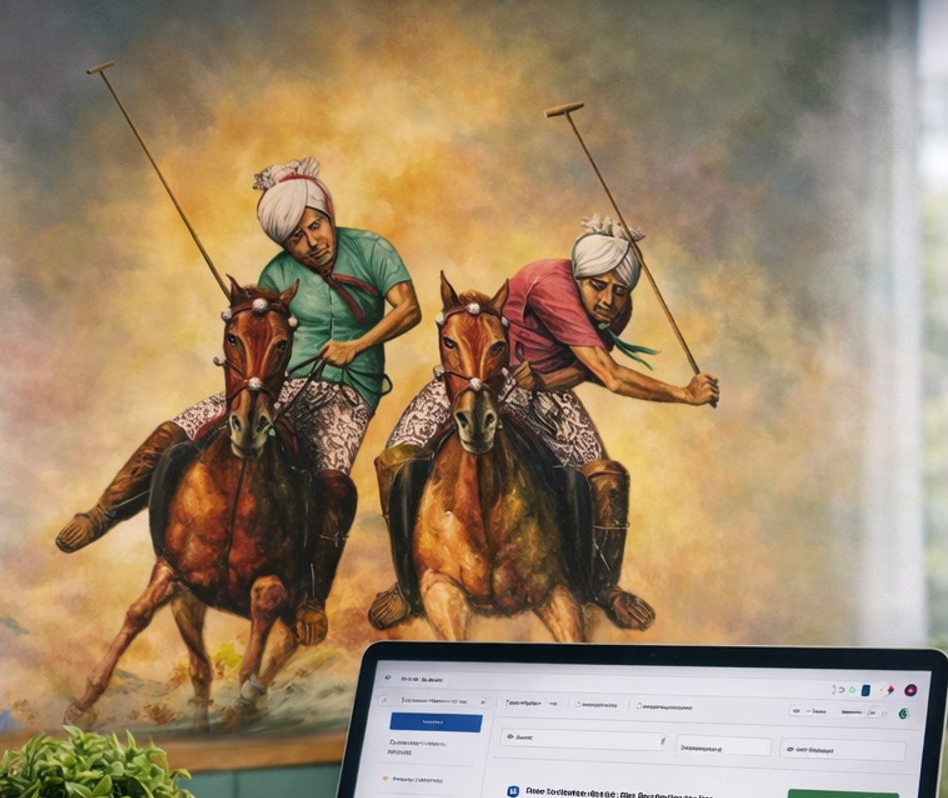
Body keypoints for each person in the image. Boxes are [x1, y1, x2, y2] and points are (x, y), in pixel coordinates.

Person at [56, 158, 420, 645]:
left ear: (328, 214)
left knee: (333, 484)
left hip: (347, 390)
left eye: (315, 226)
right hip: (279, 382)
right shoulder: (277, 272)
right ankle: (102, 512)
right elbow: (259, 330)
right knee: (184, 427)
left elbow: (409, 309)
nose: (312, 242)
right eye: (296, 238)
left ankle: (312, 597)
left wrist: (356, 346)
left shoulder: (372, 249)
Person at [368, 216, 719, 632]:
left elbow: (585, 370)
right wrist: (683, 394)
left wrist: (543, 383)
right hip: (482, 376)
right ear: (579, 275)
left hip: (541, 389)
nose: (608, 299)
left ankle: (603, 588)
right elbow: (610, 376)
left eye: (619, 290)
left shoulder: (615, 310)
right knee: (395, 463)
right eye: (598, 285)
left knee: (605, 480)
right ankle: (408, 588)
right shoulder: (552, 287)